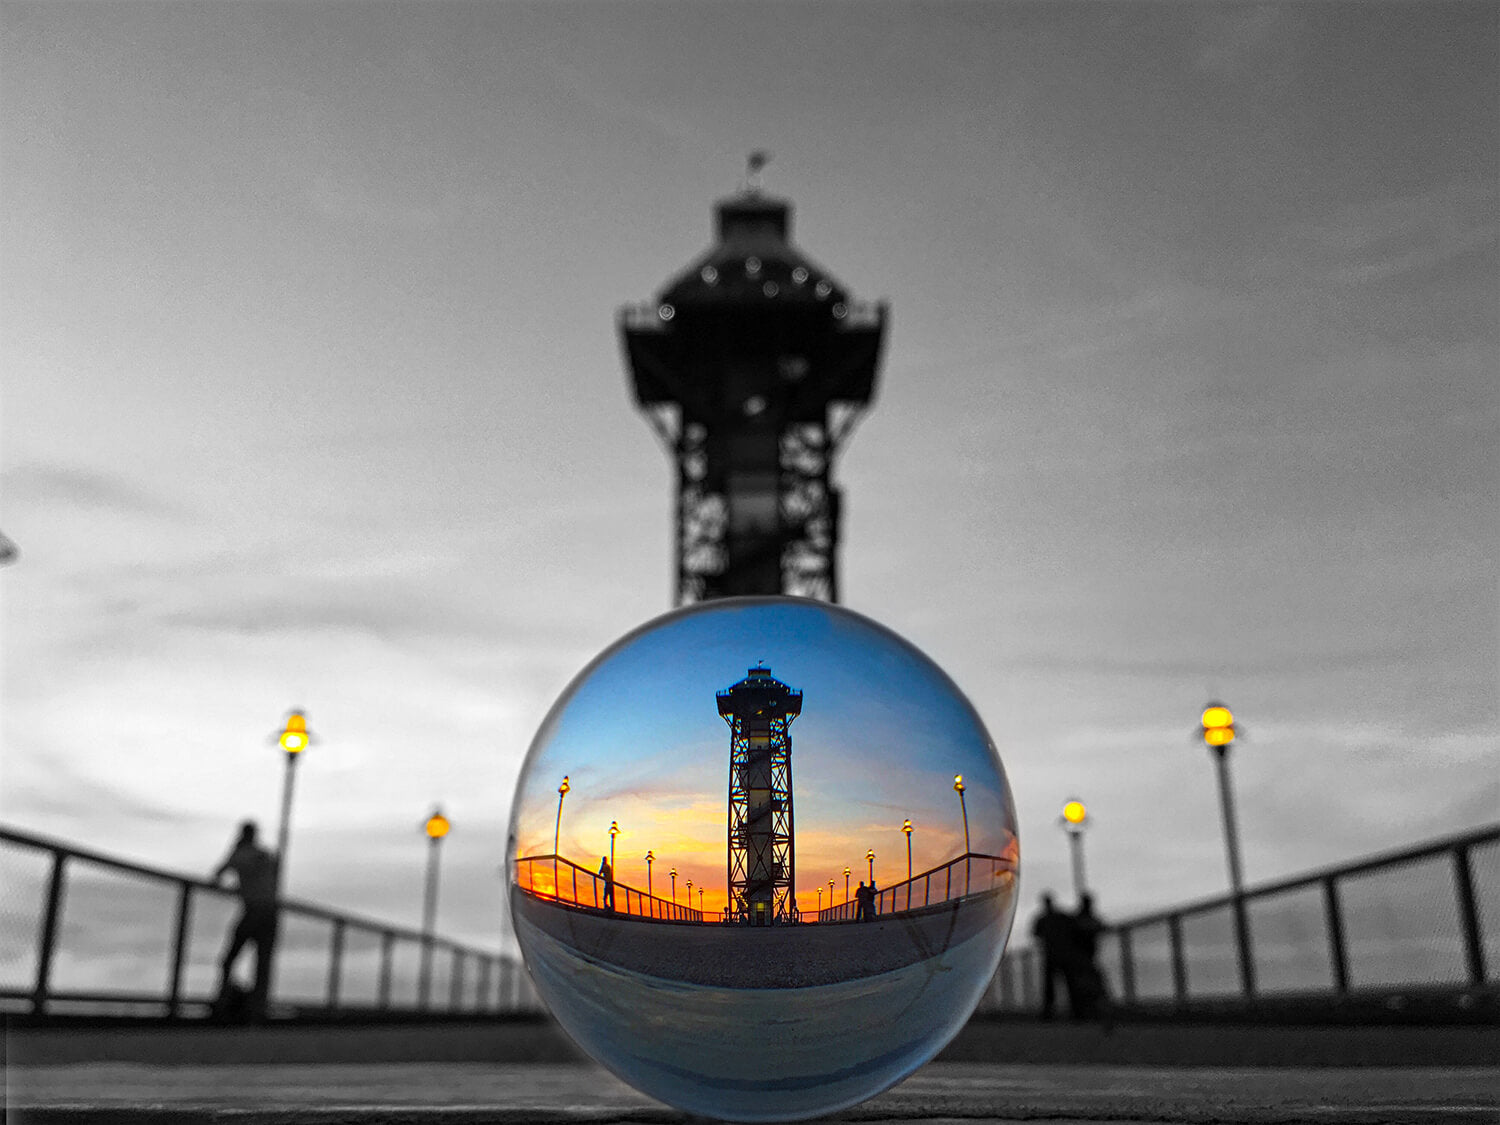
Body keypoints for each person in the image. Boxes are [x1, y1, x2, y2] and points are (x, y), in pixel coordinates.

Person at [212, 821, 279, 1020]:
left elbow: (217, 875)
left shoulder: (240, 854)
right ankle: (256, 1011)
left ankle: (223, 1003)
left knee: (228, 959)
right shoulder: (266, 855)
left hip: (254, 911)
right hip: (270, 912)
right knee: (263, 964)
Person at [1030, 892, 1075, 1020]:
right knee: (1067, 983)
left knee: (1052, 985)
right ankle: (1074, 1010)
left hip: (1052, 955)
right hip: (1062, 954)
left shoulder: (1042, 919)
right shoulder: (1061, 917)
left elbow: (1035, 934)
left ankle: (1049, 1012)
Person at [1069, 892, 1110, 1021]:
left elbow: (1101, 927)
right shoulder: (1080, 919)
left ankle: (1088, 1011)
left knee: (1086, 983)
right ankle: (1087, 1011)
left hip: (1086, 957)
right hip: (1081, 957)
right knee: (1088, 983)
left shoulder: (1083, 918)